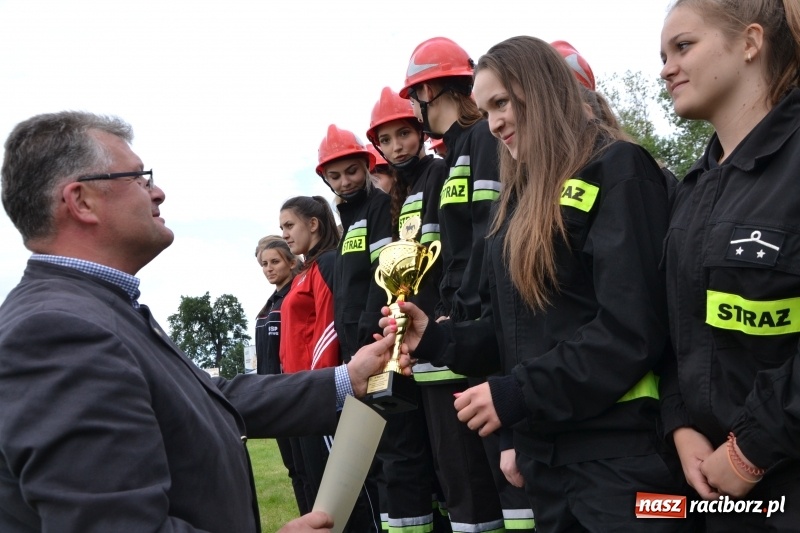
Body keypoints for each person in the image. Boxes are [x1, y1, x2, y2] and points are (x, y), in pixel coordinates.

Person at [0, 111, 408, 533]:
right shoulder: (57, 331)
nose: (157, 192)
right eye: (139, 178)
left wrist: (346, 379)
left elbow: (209, 397)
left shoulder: (93, 307)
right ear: (81, 201)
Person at [385, 36, 691, 531]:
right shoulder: (520, 203)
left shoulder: (619, 169)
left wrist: (518, 393)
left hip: (622, 458)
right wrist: (437, 339)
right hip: (548, 460)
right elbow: (518, 336)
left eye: (502, 102)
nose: (494, 123)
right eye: (485, 110)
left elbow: (631, 329)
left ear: (546, 90)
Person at [660, 1, 800, 530]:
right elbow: (675, 333)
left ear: (750, 43)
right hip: (710, 493)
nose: (666, 68)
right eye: (663, 54)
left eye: (683, 46)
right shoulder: (691, 192)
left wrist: (753, 448)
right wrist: (679, 425)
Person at [399, 38, 527, 533]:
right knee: (472, 487)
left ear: (428, 89)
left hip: (485, 334)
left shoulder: (481, 142)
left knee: (507, 487)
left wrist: (462, 312)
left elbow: (490, 235)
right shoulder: (452, 155)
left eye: (413, 97)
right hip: (463, 332)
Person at [365, 86, 449, 533]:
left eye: (404, 134)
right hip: (418, 342)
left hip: (446, 337)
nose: (397, 146)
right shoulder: (400, 192)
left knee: (464, 474)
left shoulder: (438, 174)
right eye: (386, 139)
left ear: (420, 129)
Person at [316, 125, 392, 532]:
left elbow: (383, 276)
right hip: (355, 354)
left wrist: (365, 341)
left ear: (366, 165)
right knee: (376, 463)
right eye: (335, 175)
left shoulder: (378, 207)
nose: (345, 182)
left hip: (374, 349)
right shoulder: (348, 224)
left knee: (394, 457)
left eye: (352, 171)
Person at [254, 236, 309, 515]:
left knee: (309, 469)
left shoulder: (295, 297)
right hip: (273, 395)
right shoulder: (269, 305)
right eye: (264, 264)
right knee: (294, 471)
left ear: (291, 261)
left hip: (295, 393)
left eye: (274, 262)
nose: (269, 269)